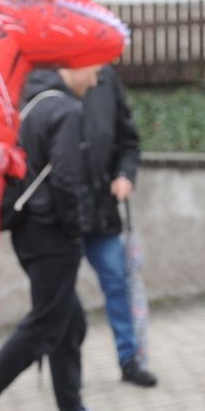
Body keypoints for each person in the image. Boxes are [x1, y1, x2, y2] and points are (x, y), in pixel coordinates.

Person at [0, 64, 131, 411]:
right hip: (52, 232)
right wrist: (75, 228)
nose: (98, 80)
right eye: (94, 71)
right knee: (46, 324)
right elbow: (67, 179)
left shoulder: (33, 100)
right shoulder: (66, 110)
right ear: (73, 66)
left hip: (29, 229)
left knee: (70, 323)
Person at [73, 64, 158, 387]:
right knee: (60, 299)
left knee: (120, 285)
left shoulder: (106, 79)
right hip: (62, 217)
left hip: (103, 213)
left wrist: (125, 174)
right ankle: (65, 372)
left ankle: (130, 360)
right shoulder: (47, 78)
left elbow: (128, 141)